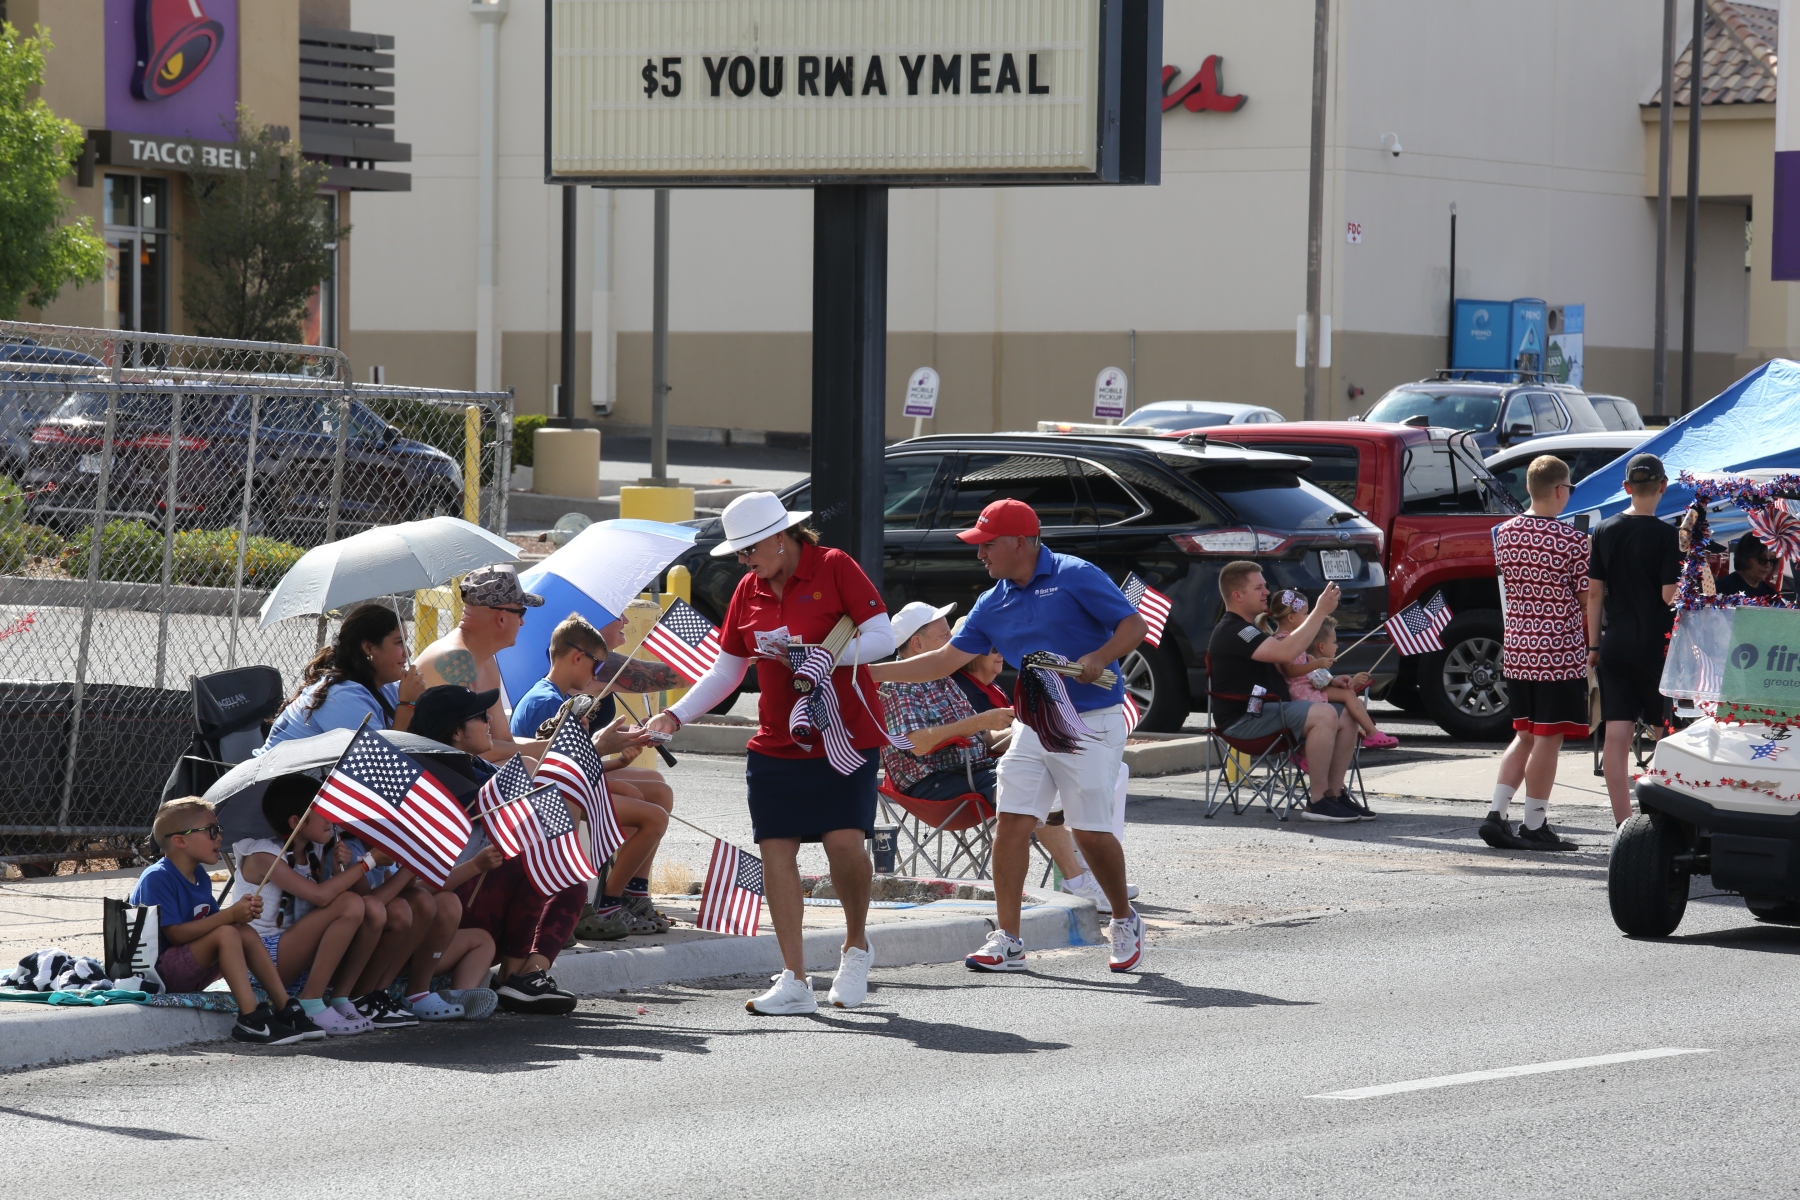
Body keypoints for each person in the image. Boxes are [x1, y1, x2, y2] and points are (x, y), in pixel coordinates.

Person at [872, 498, 1149, 975]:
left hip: (1091, 719)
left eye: (987, 544)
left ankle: (1124, 919)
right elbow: (942, 662)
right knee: (1012, 822)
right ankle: (1009, 940)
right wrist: (865, 672)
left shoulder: (1076, 574)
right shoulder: (992, 600)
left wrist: (1100, 657)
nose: (980, 554)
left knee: (1089, 830)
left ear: (1021, 542)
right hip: (1034, 721)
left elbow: (1134, 625)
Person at [647, 491, 897, 1014]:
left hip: (844, 735)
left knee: (844, 843)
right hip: (777, 741)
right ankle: (795, 979)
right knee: (776, 851)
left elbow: (882, 637)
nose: (743, 561)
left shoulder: (834, 566)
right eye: (739, 552)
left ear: (780, 538)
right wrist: (675, 715)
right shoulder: (748, 589)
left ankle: (856, 946)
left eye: (749, 550)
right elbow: (727, 670)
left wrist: (823, 656)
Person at [417, 685, 653, 1013]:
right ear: (456, 732)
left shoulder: (476, 765)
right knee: (536, 862)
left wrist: (601, 757)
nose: (489, 721)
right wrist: (592, 748)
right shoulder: (440, 775)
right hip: (453, 902)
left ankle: (528, 974)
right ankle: (514, 974)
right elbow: (523, 806)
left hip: (479, 897)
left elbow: (544, 786)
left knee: (570, 878)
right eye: (480, 716)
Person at [933, 619, 1131, 909]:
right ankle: (1077, 878)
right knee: (1038, 794)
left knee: (1113, 771)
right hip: (967, 772)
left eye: (1001, 647)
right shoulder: (962, 688)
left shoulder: (993, 688)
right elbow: (978, 738)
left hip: (994, 762)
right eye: (993, 649)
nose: (1001, 653)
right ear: (972, 655)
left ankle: (1093, 871)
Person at [509, 612, 675, 937]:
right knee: (652, 815)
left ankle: (629, 895)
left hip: (564, 787)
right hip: (550, 795)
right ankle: (609, 902)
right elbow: (562, 767)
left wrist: (620, 757)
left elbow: (574, 765)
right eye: (596, 665)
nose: (598, 674)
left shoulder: (557, 697)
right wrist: (604, 748)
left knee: (653, 792)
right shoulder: (548, 704)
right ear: (576, 657)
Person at [130, 798, 318, 1045]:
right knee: (228, 932)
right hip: (157, 973)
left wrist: (241, 915)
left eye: (219, 830)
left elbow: (216, 923)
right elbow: (175, 934)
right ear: (180, 841)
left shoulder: (199, 875)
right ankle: (251, 1019)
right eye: (212, 831)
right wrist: (230, 915)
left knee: (242, 931)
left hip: (188, 965)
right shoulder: (157, 877)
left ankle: (286, 1008)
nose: (219, 837)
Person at [1480, 455, 1592, 852]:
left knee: (1524, 735)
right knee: (1548, 738)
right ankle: (1534, 823)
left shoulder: (1505, 534)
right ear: (1560, 490)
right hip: (1557, 651)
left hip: (1517, 648)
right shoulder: (1573, 540)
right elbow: (1585, 598)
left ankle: (1497, 813)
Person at [226, 774, 390, 1035]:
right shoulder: (263, 855)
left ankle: (342, 998)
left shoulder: (314, 851)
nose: (331, 820)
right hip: (261, 960)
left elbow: (322, 906)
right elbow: (320, 897)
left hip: (294, 953)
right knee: (349, 904)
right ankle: (311, 1002)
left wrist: (338, 869)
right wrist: (368, 862)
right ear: (296, 822)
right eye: (323, 813)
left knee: (364, 907)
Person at [1207, 563, 1363, 822]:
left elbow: (1293, 671)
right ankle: (1318, 801)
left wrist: (1328, 681)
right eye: (1258, 587)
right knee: (1324, 714)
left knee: (1347, 714)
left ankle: (1334, 795)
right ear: (1237, 595)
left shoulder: (1250, 630)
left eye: (1265, 586)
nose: (1267, 592)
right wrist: (1320, 611)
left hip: (1269, 711)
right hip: (1244, 719)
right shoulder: (1235, 630)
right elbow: (1285, 652)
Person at [1587, 452, 1682, 828]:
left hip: (1615, 644)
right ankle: (1664, 820)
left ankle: (1622, 823)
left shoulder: (1603, 530)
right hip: (1657, 647)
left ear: (1626, 487)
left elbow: (1595, 594)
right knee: (1665, 734)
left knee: (1616, 736)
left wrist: (1593, 646)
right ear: (1663, 486)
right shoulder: (1668, 535)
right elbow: (1669, 595)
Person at [872, 601, 1013, 802]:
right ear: (918, 644)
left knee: (1035, 769)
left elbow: (982, 736)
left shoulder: (943, 677)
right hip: (932, 780)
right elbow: (917, 743)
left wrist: (1023, 733)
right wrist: (980, 721)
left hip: (969, 771)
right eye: (944, 635)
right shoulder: (897, 685)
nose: (953, 640)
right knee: (1021, 787)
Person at [416, 564, 546, 764]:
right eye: (521, 613)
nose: (522, 622)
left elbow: (503, 739)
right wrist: (553, 748)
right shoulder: (457, 659)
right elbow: (470, 751)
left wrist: (554, 746)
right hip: (433, 774)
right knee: (529, 766)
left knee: (536, 766)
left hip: (451, 770)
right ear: (502, 618)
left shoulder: (483, 657)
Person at [262, 604, 425, 752]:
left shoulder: (385, 686)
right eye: (399, 642)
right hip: (273, 775)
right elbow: (382, 765)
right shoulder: (341, 697)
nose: (408, 652)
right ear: (369, 648)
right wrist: (407, 704)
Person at [1263, 588, 1394, 752]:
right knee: (1348, 695)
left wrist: (1332, 680)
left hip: (1306, 687)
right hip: (1301, 693)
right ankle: (1371, 733)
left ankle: (1305, 753)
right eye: (1305, 614)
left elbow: (1304, 672)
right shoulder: (1284, 641)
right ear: (1291, 618)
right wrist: (1317, 664)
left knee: (1350, 697)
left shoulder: (1288, 640)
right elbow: (1290, 671)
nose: (1308, 617)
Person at [1718, 531, 1778, 599]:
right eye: (1762, 559)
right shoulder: (1722, 589)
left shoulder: (1771, 594)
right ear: (1745, 557)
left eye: (1772, 560)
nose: (1768, 565)